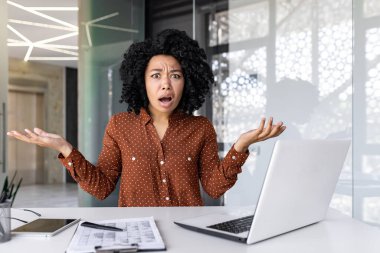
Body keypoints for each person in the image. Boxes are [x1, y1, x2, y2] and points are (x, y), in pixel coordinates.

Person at [7, 29, 286, 207]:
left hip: (188, 235)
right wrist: (64, 149)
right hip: (135, 234)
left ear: (186, 82)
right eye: (156, 76)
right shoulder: (120, 125)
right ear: (142, 81)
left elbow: (213, 188)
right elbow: (103, 187)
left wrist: (240, 146)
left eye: (175, 75)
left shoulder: (201, 128)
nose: (166, 84)